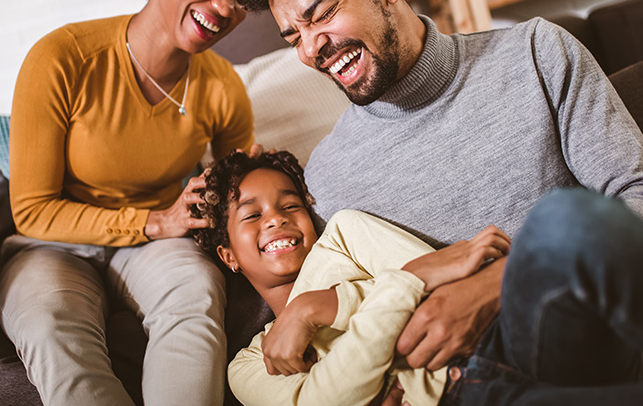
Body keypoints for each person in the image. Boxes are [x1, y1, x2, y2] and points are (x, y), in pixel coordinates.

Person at [237, 0, 643, 405]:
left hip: (578, 346)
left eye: (322, 14)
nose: (311, 50)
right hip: (462, 389)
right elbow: (343, 324)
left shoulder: (535, 54)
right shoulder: (328, 176)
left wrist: (496, 285)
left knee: (563, 220)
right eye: (294, 37)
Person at [0, 0, 285, 405]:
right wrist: (154, 222)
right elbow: (31, 211)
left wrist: (242, 189)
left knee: (196, 294)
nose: (224, 8)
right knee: (49, 324)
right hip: (53, 245)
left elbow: (232, 192)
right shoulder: (62, 58)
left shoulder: (221, 86)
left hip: (157, 247)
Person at [191, 150, 511, 406]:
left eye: (291, 205)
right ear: (228, 256)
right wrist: (404, 281)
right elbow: (325, 400)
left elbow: (450, 300)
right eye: (252, 214)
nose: (276, 217)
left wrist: (316, 307)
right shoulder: (248, 366)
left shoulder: (344, 236)